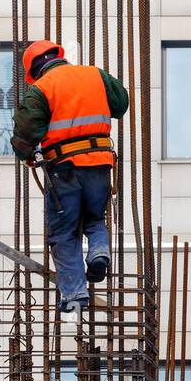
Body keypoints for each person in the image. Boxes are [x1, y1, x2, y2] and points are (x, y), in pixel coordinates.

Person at [11, 39, 128, 314]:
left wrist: (25, 154)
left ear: (34, 70)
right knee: (95, 217)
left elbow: (26, 131)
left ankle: (75, 294)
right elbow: (120, 103)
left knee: (64, 233)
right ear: (58, 57)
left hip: (64, 168)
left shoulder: (41, 89)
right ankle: (99, 252)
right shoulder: (95, 75)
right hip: (100, 162)